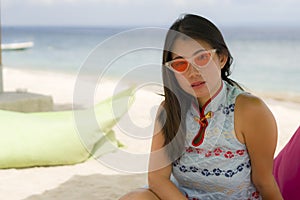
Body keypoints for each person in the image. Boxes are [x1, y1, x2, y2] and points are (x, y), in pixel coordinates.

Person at [120, 14, 284, 199]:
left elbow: (264, 181)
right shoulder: (169, 110)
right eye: (181, 64)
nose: (193, 72)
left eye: (202, 58)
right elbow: (158, 178)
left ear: (221, 58)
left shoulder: (250, 110)